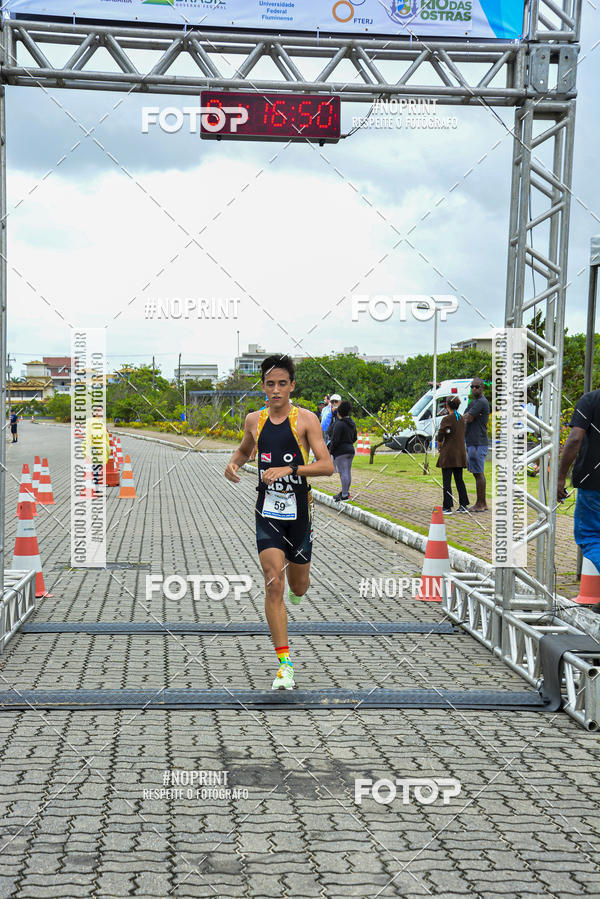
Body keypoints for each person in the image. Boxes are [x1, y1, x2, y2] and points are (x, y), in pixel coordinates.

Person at [224, 355, 334, 690]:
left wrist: (291, 469)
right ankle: (284, 664)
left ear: (291, 386)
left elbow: (327, 465)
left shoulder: (306, 420)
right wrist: (233, 465)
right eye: (270, 384)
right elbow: (244, 452)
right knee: (274, 583)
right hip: (267, 512)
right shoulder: (254, 421)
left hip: (300, 511)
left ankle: (300, 588)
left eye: (282, 384)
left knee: (298, 585)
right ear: (262, 387)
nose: (275, 390)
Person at [558, 388, 600, 595]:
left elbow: (575, 439)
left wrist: (559, 477)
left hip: (593, 484)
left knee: (590, 535)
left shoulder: (591, 399)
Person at [436, 395, 469, 514]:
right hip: (460, 454)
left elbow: (440, 436)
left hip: (448, 454)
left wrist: (439, 448)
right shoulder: (461, 418)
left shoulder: (446, 419)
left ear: (447, 405)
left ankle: (447, 507)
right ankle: (464, 504)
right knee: (459, 480)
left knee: (447, 481)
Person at [463, 378, 490, 512]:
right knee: (476, 472)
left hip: (478, 442)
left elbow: (467, 418)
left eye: (477, 387)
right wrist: (469, 416)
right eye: (472, 387)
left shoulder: (481, 402)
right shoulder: (474, 402)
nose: (474, 389)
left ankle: (481, 504)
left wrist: (470, 416)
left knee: (478, 473)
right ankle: (481, 502)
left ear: (482, 388)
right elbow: (465, 416)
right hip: (472, 441)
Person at [329, 400, 357, 502]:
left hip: (341, 452)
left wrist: (331, 451)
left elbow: (335, 440)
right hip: (350, 450)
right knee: (347, 472)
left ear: (339, 413)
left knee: (343, 472)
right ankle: (345, 492)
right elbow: (355, 437)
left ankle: (344, 494)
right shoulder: (352, 423)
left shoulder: (339, 424)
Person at [83, 406, 110, 485]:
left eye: (101, 410)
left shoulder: (100, 422)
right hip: (94, 446)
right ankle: (95, 488)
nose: (99, 412)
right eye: (97, 410)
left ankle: (95, 486)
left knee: (97, 467)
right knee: (96, 467)